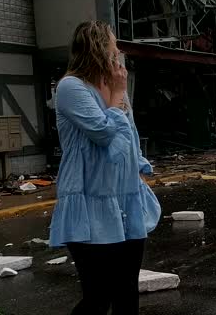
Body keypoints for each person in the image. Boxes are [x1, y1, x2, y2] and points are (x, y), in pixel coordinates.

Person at [49, 21, 161, 315]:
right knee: (98, 297)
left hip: (125, 198)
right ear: (99, 48)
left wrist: (138, 168)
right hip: (90, 201)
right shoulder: (71, 87)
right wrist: (116, 95)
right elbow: (104, 133)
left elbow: (130, 135)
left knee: (127, 292)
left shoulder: (112, 83)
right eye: (114, 44)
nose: (118, 50)